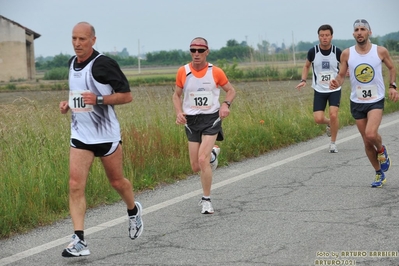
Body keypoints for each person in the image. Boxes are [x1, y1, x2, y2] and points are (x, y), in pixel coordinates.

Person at [59, 22, 143, 257]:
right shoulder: (71, 63)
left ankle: (133, 209)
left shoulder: (104, 64)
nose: (77, 43)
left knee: (117, 183)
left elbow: (126, 96)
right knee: (75, 185)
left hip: (106, 135)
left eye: (82, 39)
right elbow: (78, 96)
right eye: (74, 38)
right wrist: (68, 105)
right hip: (80, 135)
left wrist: (97, 100)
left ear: (93, 40)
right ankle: (79, 240)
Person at [330, 19, 398, 187]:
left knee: (370, 134)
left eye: (363, 29)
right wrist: (337, 82)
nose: (359, 32)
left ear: (369, 32)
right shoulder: (347, 53)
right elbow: (341, 75)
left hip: (375, 99)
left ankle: (381, 150)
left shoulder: (380, 51)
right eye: (356, 30)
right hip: (357, 101)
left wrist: (392, 86)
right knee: (367, 142)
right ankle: (378, 173)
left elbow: (391, 67)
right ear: (353, 34)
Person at [173, 37, 236, 214]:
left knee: (202, 160)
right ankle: (214, 155)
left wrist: (226, 105)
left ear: (207, 51)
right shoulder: (183, 72)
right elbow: (176, 95)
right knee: (195, 166)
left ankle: (206, 200)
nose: (196, 54)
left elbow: (231, 90)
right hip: (191, 121)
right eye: (193, 50)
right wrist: (179, 112)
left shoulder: (215, 72)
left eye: (200, 50)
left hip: (211, 119)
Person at [296, 24, 342, 153]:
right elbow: (306, 66)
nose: (324, 38)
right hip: (319, 89)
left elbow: (344, 65)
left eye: (327, 35)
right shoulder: (313, 51)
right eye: (322, 36)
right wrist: (303, 80)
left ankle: (333, 143)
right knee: (318, 119)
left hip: (334, 89)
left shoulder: (337, 51)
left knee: (334, 115)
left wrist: (345, 73)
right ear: (318, 37)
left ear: (331, 36)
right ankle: (329, 124)